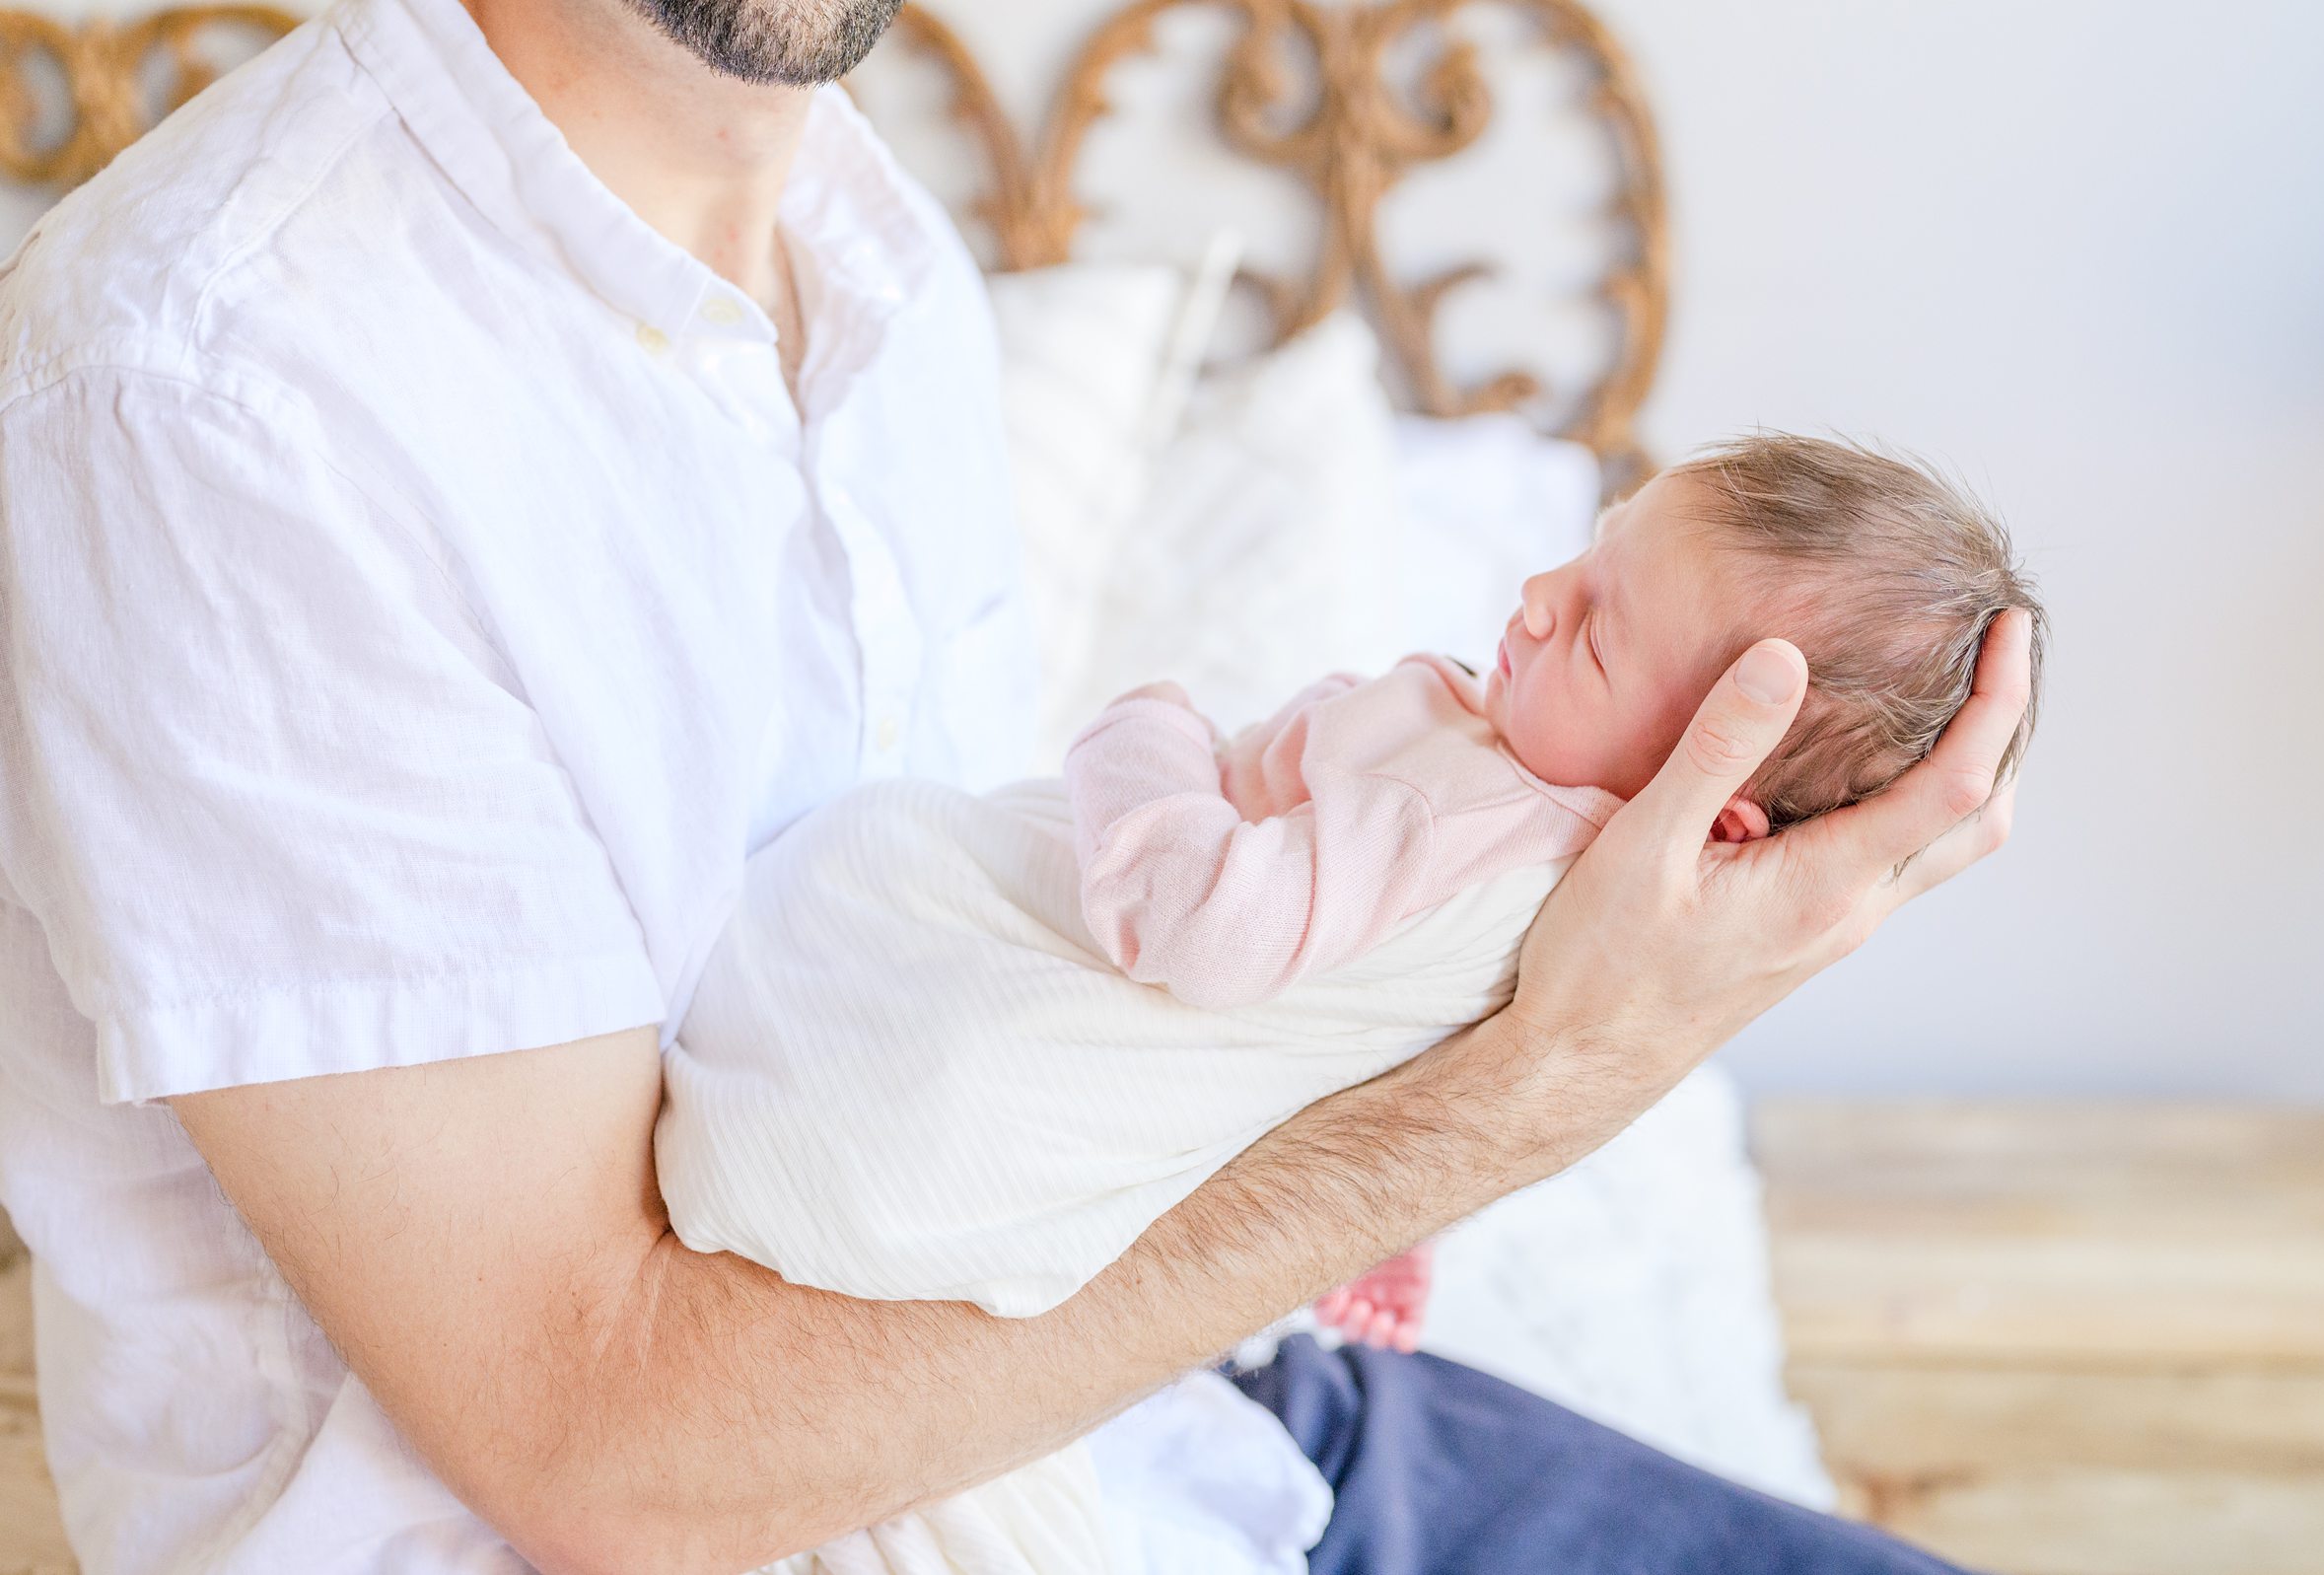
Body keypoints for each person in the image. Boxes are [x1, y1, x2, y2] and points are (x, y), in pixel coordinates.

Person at [0, 0, 2030, 1567]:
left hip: (1164, 1422)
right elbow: (599, 1453)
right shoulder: (214, 396)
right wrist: (1524, 1093)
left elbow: (1022, 1017)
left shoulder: (882, 264)